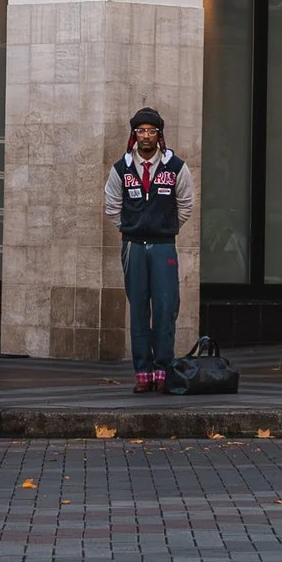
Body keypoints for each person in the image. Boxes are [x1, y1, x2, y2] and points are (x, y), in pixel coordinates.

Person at [103, 107, 193, 392]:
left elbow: (186, 204)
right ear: (134, 135)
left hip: (163, 246)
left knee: (166, 308)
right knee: (139, 309)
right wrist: (132, 226)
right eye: (140, 131)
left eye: (151, 131)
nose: (145, 136)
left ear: (159, 135)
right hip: (133, 247)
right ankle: (143, 373)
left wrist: (163, 227)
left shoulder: (175, 167)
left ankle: (163, 370)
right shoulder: (121, 168)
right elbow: (112, 206)